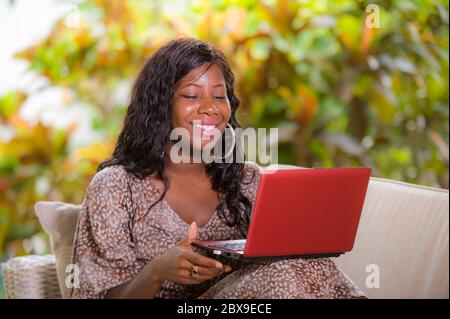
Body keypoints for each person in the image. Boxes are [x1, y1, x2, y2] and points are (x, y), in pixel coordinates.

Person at [71, 37, 366, 299]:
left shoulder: (247, 181)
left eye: (219, 94)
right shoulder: (116, 187)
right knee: (285, 274)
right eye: (191, 95)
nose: (210, 108)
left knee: (300, 264)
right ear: (160, 106)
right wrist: (157, 271)